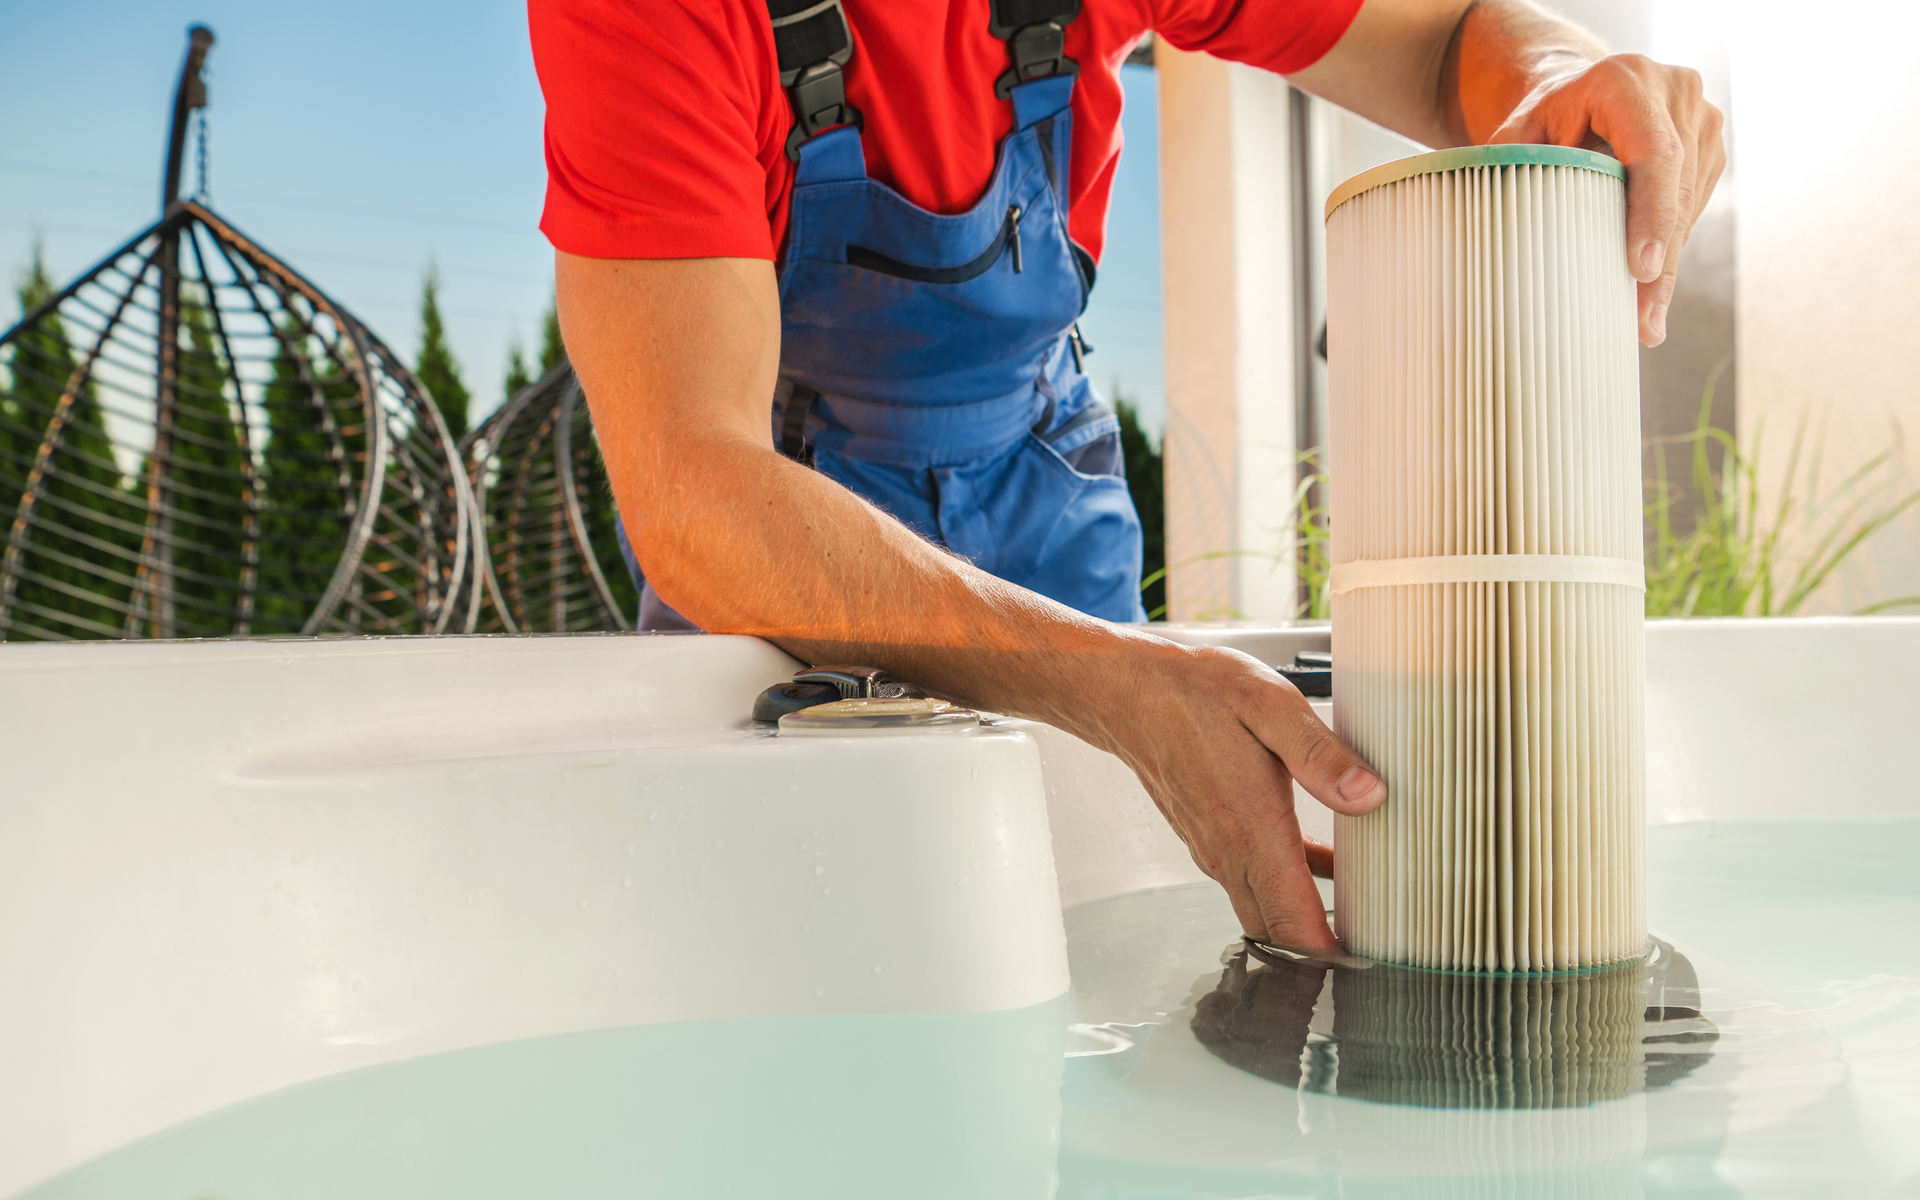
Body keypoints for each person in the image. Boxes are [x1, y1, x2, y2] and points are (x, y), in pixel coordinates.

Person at [528, 0, 1724, 953]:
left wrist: (1558, 70)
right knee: (790, 937)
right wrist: (1121, 688)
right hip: (786, 527)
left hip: (1048, 479)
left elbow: (1442, 38)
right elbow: (694, 489)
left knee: (1109, 923)